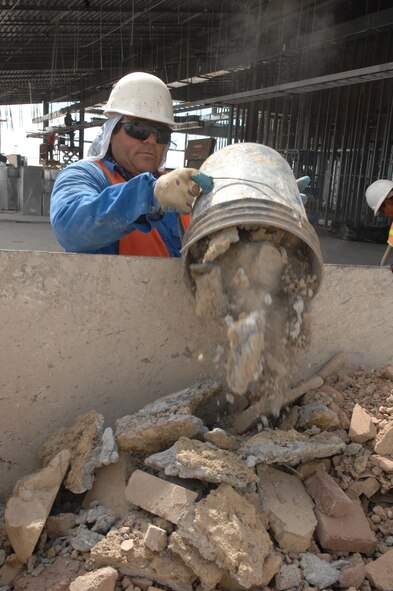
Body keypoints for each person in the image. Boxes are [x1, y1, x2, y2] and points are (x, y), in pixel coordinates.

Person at [50, 72, 212, 255]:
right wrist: (151, 195)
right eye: (138, 129)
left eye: (161, 134)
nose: (151, 140)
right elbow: (70, 228)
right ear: (111, 133)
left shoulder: (176, 185)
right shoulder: (86, 174)